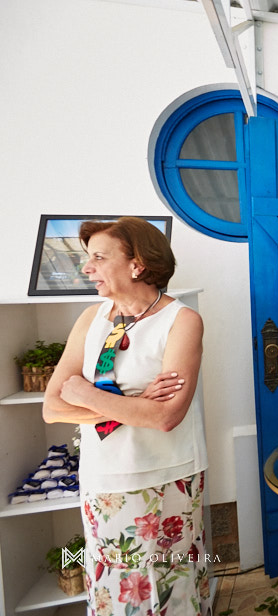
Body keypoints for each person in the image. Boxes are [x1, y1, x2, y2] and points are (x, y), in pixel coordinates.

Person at [42, 217, 210, 615]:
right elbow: (52, 408)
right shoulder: (90, 319)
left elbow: (167, 417)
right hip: (102, 481)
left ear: (137, 264)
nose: (87, 267)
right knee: (113, 590)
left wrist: (86, 393)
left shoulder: (181, 321)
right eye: (88, 258)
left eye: (99, 258)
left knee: (171, 587)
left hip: (167, 478)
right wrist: (134, 402)